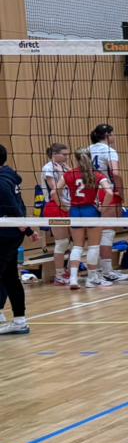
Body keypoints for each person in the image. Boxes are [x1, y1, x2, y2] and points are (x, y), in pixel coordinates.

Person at [60, 147, 114, 290]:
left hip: (74, 211)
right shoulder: (96, 175)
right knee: (93, 246)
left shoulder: (69, 174)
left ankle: (73, 278)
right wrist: (103, 208)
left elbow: (55, 190)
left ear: (76, 159)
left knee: (77, 246)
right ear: (89, 158)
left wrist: (63, 204)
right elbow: (109, 192)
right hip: (90, 211)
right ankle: (92, 278)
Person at [86, 124, 128, 284]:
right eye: (113, 133)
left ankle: (96, 270)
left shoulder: (87, 150)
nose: (114, 136)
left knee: (95, 233)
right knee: (107, 233)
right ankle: (107, 271)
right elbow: (115, 173)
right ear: (107, 135)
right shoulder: (109, 151)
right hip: (107, 191)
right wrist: (121, 192)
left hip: (90, 192)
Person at [0, 144, 30, 335]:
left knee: (7, 275)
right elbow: (19, 205)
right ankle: (19, 320)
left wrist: (24, 226)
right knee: (9, 276)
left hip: (5, 234)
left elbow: (13, 205)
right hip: (11, 233)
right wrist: (27, 229)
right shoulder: (9, 175)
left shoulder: (2, 181)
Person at [40, 144, 71, 286]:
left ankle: (69, 271)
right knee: (62, 242)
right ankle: (59, 275)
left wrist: (67, 171)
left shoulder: (64, 167)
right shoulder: (48, 168)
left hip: (68, 206)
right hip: (55, 206)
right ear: (54, 154)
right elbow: (55, 190)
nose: (66, 157)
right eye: (64, 154)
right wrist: (64, 174)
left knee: (74, 241)